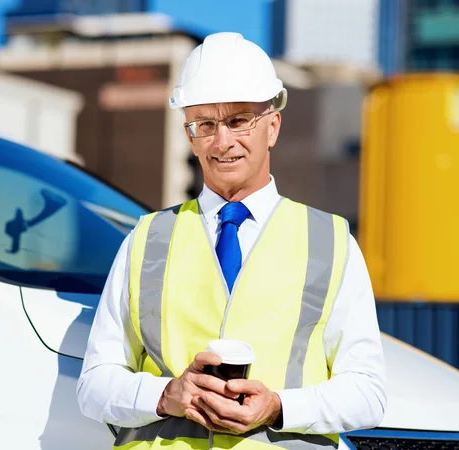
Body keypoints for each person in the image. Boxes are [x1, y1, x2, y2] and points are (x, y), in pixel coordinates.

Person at [77, 32, 387, 449]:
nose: (222, 142)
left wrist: (278, 406)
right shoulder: (144, 239)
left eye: (240, 120)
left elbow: (368, 393)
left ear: (272, 127)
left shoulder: (332, 243)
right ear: (190, 135)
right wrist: (166, 395)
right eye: (205, 124)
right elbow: (94, 386)